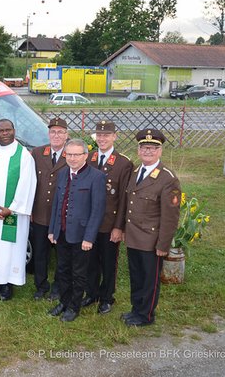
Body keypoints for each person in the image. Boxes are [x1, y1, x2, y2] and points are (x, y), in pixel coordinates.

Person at [122, 129, 181, 327]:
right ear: (138, 150)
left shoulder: (167, 179)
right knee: (136, 276)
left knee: (149, 280)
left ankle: (146, 315)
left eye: (153, 148)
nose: (148, 151)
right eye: (144, 147)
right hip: (133, 237)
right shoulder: (136, 172)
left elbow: (170, 217)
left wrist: (163, 245)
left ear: (160, 151)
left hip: (151, 240)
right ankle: (136, 309)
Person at [0, 119, 36, 301]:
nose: (4, 133)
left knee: (12, 247)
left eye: (7, 130)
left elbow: (27, 184)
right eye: (0, 130)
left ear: (14, 131)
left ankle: (8, 284)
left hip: (14, 214)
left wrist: (12, 209)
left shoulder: (24, 156)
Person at [48, 139, 106, 322]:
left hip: (81, 235)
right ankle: (64, 302)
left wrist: (89, 237)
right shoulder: (63, 173)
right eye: (69, 154)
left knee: (78, 273)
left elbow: (97, 210)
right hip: (63, 232)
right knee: (62, 269)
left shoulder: (96, 177)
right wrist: (52, 230)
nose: (72, 158)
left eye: (76, 155)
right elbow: (57, 203)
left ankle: (74, 306)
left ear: (85, 156)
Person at [83, 120, 133, 314]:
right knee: (90, 260)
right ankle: (92, 293)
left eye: (106, 135)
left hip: (108, 223)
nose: (102, 139)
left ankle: (107, 297)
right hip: (88, 222)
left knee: (108, 262)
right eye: (99, 135)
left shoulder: (123, 163)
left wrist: (118, 227)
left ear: (114, 137)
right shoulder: (89, 158)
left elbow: (123, 199)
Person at [31, 117, 68, 301]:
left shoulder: (72, 154)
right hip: (39, 214)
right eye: (53, 132)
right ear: (48, 134)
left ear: (67, 135)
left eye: (60, 132)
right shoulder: (37, 153)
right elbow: (29, 184)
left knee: (61, 255)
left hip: (62, 217)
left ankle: (58, 287)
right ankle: (41, 285)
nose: (56, 135)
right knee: (40, 253)